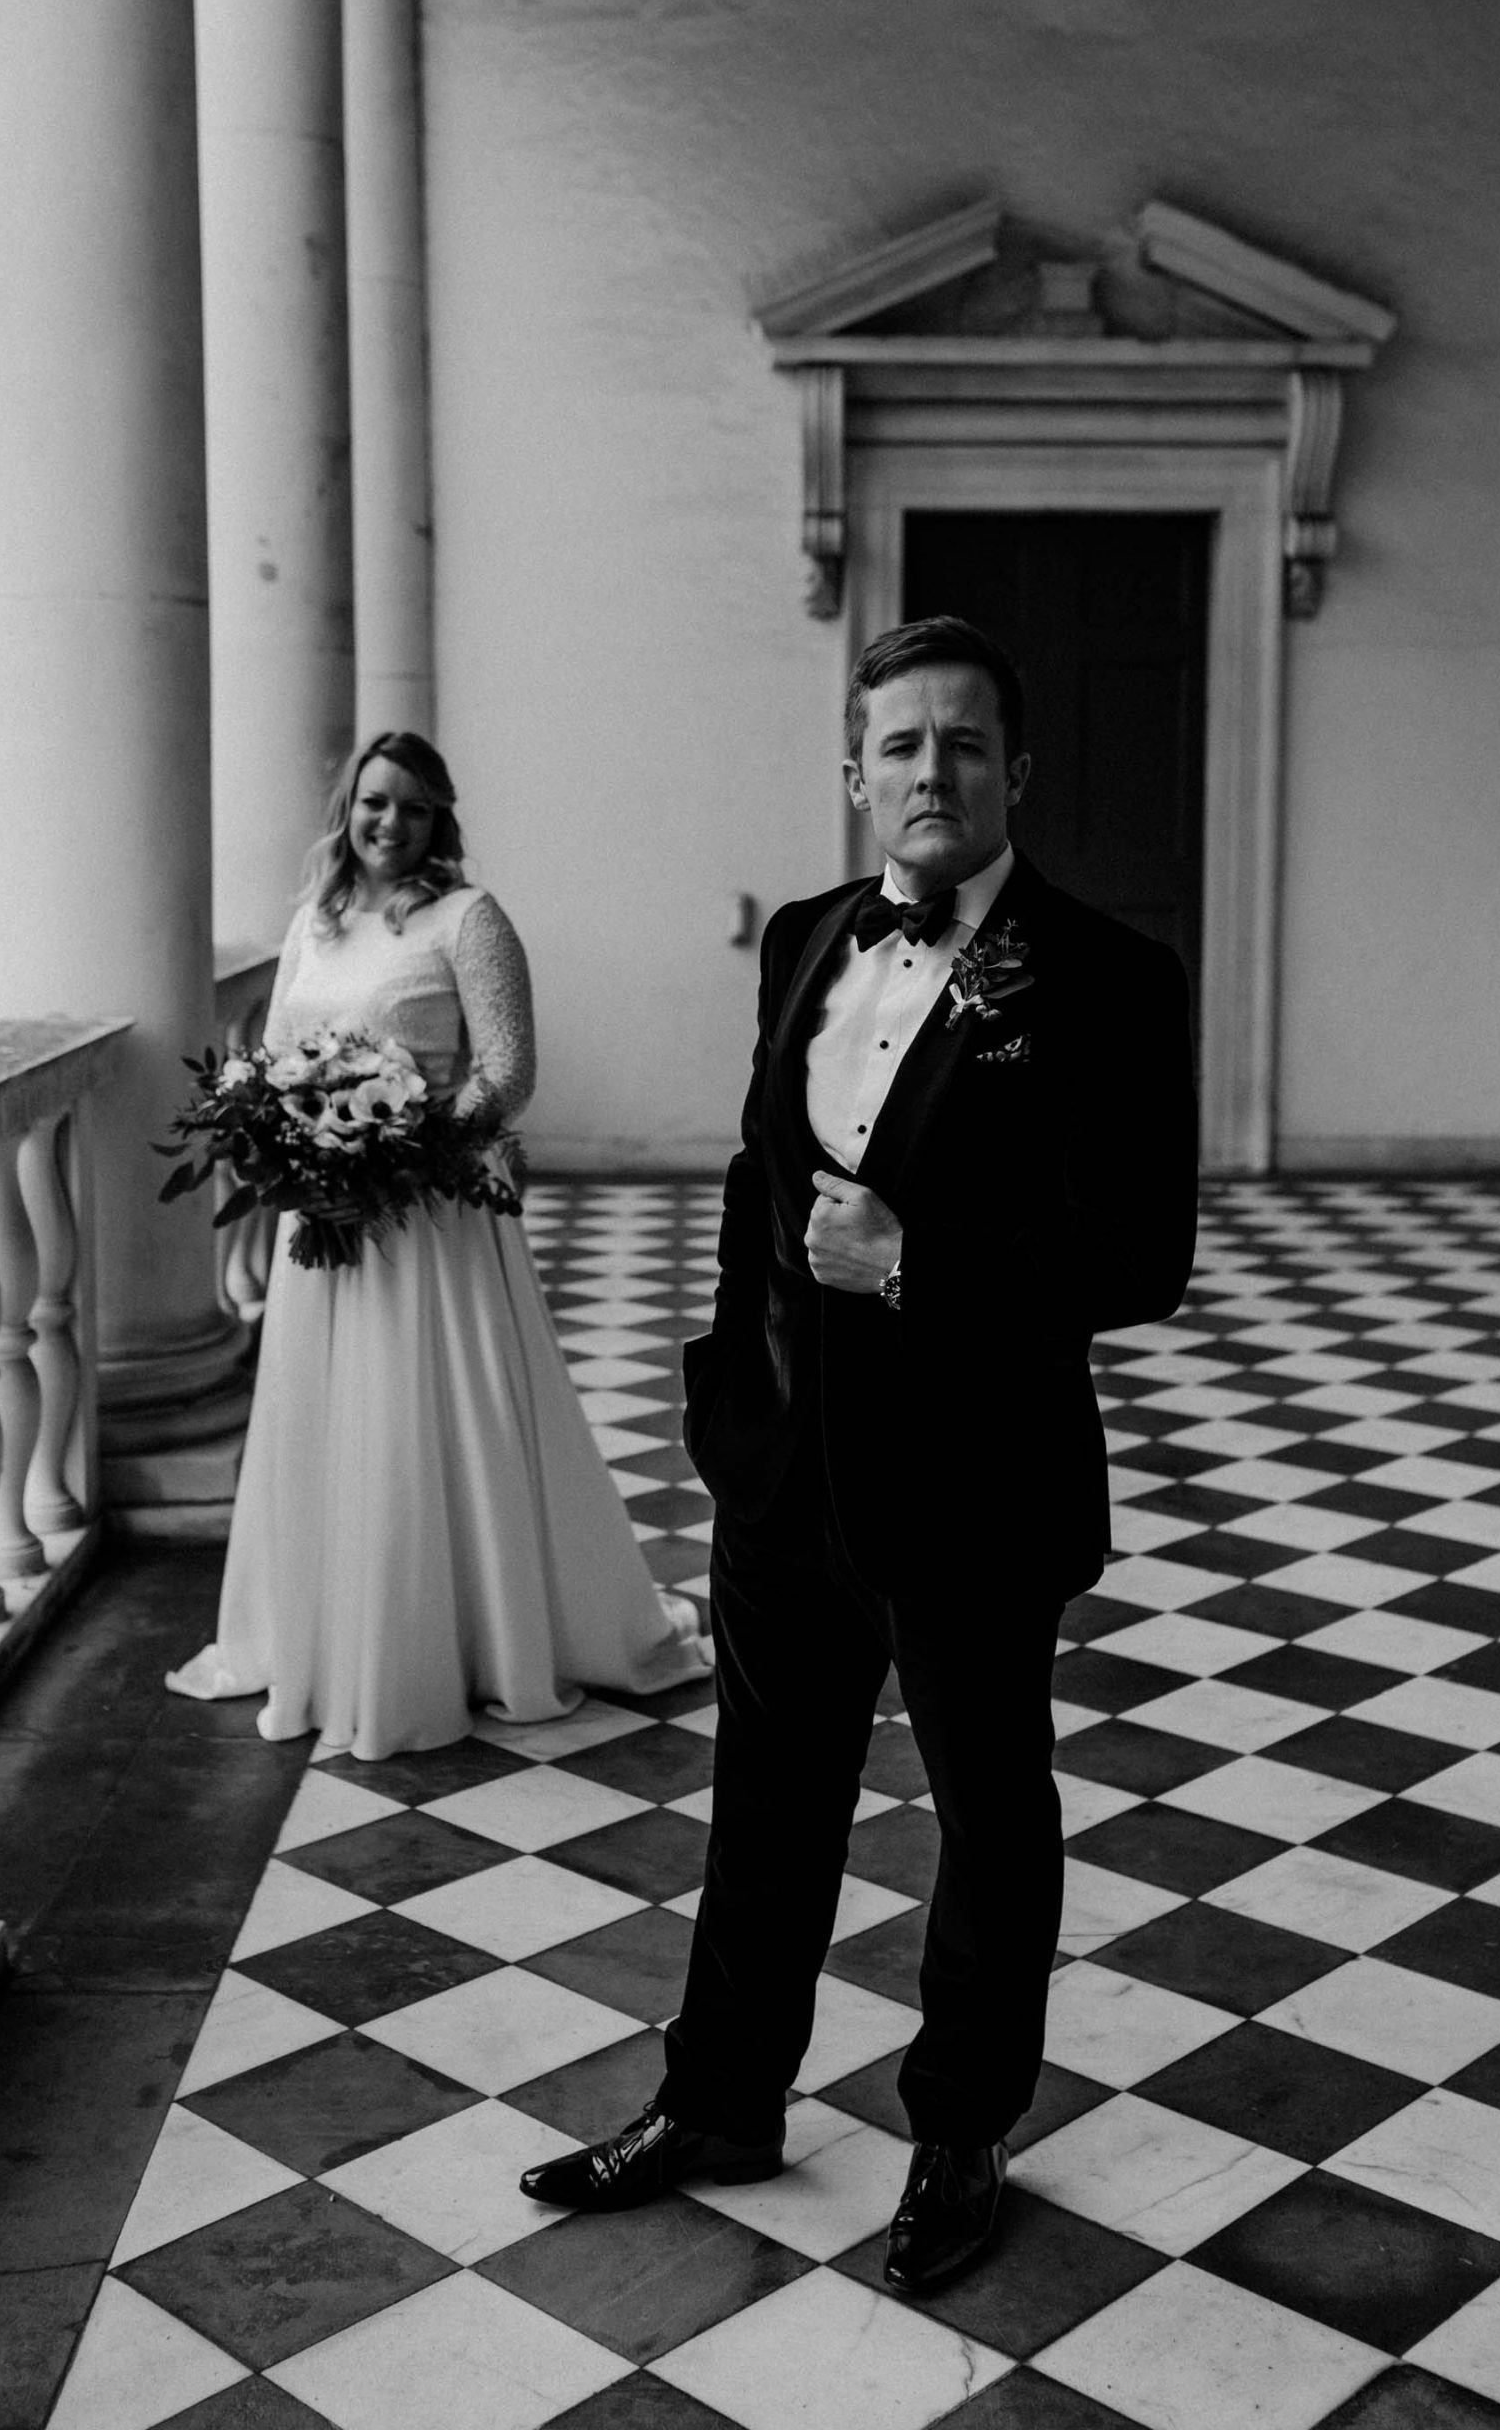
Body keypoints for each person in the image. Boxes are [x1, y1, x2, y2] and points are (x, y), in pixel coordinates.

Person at [520, 616, 1198, 2293]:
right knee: (763, 1805)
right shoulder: (808, 938)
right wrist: (726, 1392)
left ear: (1015, 772)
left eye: (964, 743)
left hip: (973, 1484)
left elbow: (1141, 1253)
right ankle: (721, 2100)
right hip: (780, 1472)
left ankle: (957, 2131)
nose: (931, 772)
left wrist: (917, 1259)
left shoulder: (1112, 976)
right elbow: (766, 1180)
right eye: (899, 745)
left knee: (986, 1818)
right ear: (852, 772)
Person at [167, 730, 707, 1756]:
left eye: (413, 808)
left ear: (439, 821)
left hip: (426, 1217)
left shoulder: (470, 919)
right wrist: (298, 1143)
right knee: (334, 1419)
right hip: (323, 1218)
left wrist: (399, 1147)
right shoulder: (314, 923)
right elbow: (277, 1051)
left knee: (430, 1421)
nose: (389, 823)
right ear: (348, 806)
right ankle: (327, 1638)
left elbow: (507, 1071)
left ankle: (468, 1639)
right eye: (375, 802)